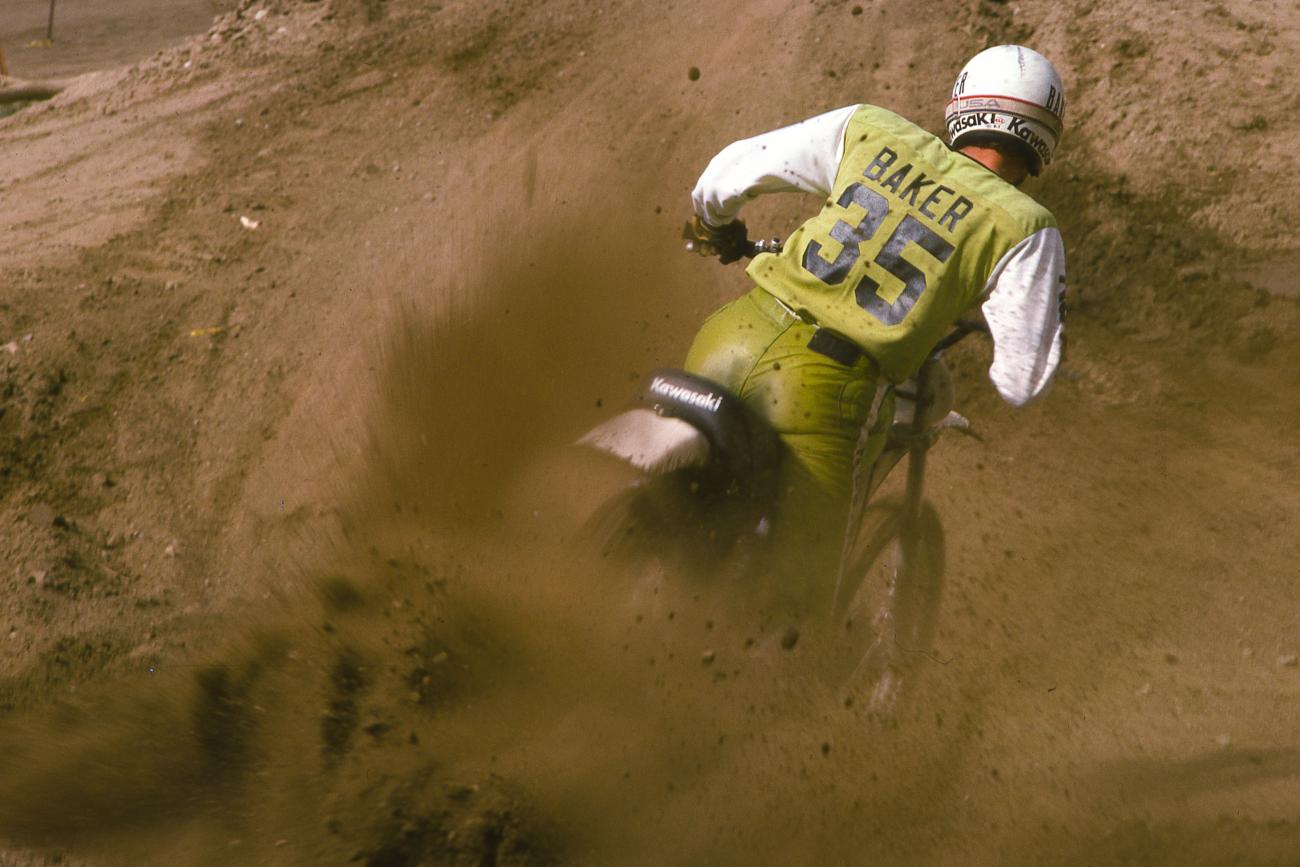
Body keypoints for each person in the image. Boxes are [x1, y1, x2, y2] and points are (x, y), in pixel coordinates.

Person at [681, 44, 1067, 608]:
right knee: (800, 609)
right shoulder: (1026, 228)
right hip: (824, 390)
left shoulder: (871, 128)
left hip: (730, 334)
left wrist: (716, 226)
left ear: (960, 105)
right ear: (1044, 139)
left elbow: (725, 174)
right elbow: (1021, 380)